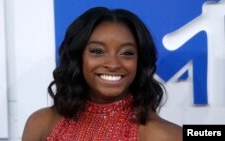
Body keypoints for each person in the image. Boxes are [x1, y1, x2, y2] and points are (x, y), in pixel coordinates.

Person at [22, 6, 183, 141]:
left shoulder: (166, 135)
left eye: (127, 53)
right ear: (79, 57)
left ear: (139, 61)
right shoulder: (41, 123)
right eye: (97, 51)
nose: (113, 64)